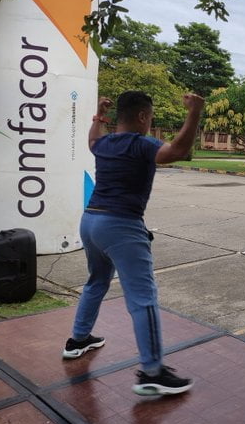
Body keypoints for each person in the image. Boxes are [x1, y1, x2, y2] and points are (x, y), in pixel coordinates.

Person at [62, 91, 204, 396]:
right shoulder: (142, 144)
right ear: (142, 117)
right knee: (143, 298)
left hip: (90, 222)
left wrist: (98, 118)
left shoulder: (105, 143)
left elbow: (90, 141)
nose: (150, 122)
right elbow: (178, 151)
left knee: (97, 281)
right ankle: (152, 372)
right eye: (150, 117)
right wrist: (194, 113)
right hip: (121, 226)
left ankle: (78, 340)